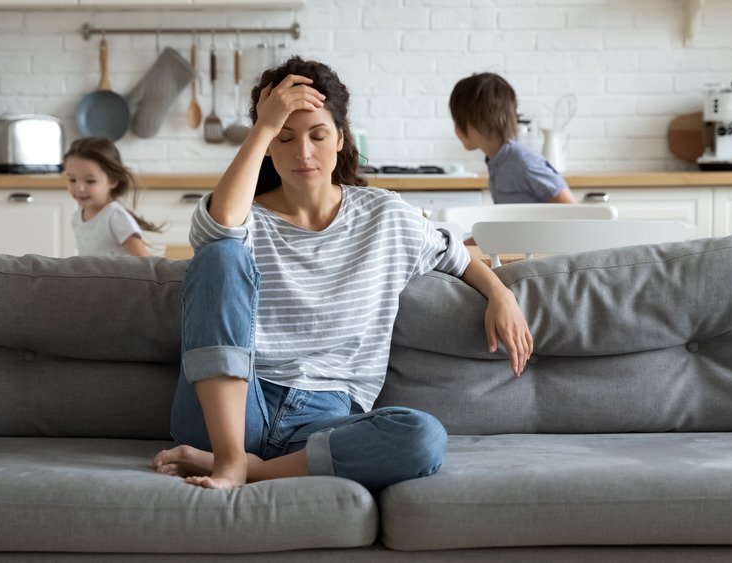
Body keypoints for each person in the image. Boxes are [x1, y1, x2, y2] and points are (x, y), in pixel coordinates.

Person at [152, 57, 533, 491]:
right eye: (284, 137)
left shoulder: (384, 216)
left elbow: (459, 258)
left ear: (340, 139)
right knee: (220, 254)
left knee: (423, 437)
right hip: (232, 404)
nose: (303, 153)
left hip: (323, 419)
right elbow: (218, 228)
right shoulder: (243, 217)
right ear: (267, 144)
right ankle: (229, 454)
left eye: (317, 135)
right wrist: (262, 125)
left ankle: (243, 468)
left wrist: (501, 294)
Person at [449, 72, 575, 204]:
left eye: (457, 121)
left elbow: (572, 211)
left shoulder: (525, 162)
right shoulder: (498, 161)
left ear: (480, 122)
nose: (456, 128)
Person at [63, 137, 163, 257]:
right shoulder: (77, 217)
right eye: (72, 179)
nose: (79, 188)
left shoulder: (115, 217)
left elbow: (145, 262)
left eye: (90, 181)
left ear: (113, 181)